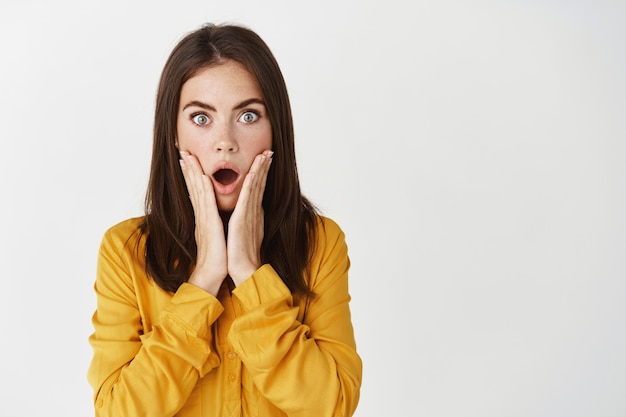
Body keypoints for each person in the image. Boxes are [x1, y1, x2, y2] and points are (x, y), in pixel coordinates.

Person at [87, 23, 362, 417]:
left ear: (275, 132)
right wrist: (203, 281)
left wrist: (251, 275)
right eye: (201, 118)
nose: (225, 141)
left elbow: (332, 406)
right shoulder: (125, 251)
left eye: (248, 116)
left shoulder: (320, 243)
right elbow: (117, 411)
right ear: (174, 135)